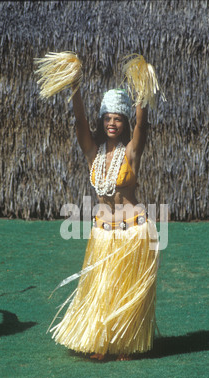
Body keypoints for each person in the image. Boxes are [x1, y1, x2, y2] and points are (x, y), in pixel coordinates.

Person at [50, 86, 159, 361]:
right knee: (101, 289)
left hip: (133, 231)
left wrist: (143, 96)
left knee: (126, 292)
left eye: (118, 118)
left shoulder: (132, 152)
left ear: (125, 122)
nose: (112, 123)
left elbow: (143, 127)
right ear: (102, 120)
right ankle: (100, 342)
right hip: (102, 233)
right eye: (107, 118)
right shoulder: (93, 152)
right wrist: (75, 88)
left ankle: (125, 344)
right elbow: (80, 123)